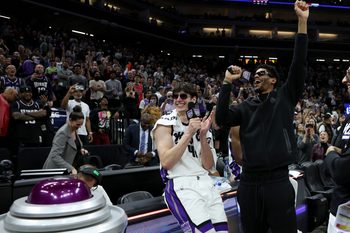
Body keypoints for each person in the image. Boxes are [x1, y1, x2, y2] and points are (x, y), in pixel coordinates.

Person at [215, 1, 309, 232]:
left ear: (274, 80)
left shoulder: (286, 96)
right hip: (249, 182)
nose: (256, 76)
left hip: (277, 181)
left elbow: (298, 63)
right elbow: (222, 118)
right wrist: (227, 84)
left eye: (262, 74)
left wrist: (302, 22)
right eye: (255, 74)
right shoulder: (245, 106)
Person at [152, 82, 228, 233]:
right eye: (175, 96)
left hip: (206, 182)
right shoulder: (165, 123)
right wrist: (188, 133)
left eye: (183, 96)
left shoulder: (202, 124)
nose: (178, 99)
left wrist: (202, 135)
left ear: (193, 99)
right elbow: (166, 162)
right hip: (181, 183)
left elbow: (208, 165)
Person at [324, 66, 350, 233]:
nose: (344, 80)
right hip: (341, 208)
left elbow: (343, 170)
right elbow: (337, 145)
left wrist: (333, 154)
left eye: (348, 74)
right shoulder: (348, 118)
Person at [43, 105, 89, 175]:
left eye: (81, 125)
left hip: (65, 170)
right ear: (70, 120)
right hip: (55, 170)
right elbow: (55, 156)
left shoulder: (73, 129)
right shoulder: (63, 133)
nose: (79, 127)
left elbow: (73, 145)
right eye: (78, 124)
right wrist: (71, 168)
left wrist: (80, 149)